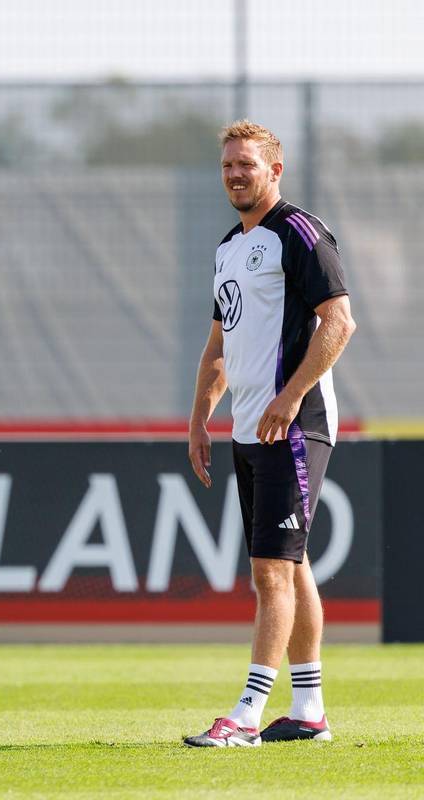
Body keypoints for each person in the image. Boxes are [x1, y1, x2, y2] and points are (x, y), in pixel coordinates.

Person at [183, 120, 356, 747]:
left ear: (274, 170)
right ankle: (308, 709)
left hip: (296, 425)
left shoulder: (300, 233)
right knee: (291, 565)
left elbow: (338, 323)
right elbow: (218, 349)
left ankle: (247, 716)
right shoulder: (229, 246)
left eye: (247, 165)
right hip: (247, 430)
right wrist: (201, 418)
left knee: (269, 573)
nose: (235, 174)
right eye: (228, 165)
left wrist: (289, 398)